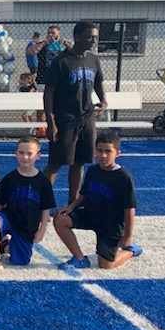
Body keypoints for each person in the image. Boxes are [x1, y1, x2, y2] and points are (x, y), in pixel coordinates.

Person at [54, 131, 142, 270]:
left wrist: (127, 236)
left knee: (106, 265)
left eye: (108, 151)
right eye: (99, 150)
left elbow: (129, 209)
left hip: (110, 224)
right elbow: (83, 195)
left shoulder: (123, 178)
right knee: (60, 219)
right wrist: (71, 207)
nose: (103, 155)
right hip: (91, 215)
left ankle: (131, 251)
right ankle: (79, 258)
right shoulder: (93, 170)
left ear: (117, 153)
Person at [43, 21, 107, 204]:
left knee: (80, 162)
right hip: (65, 120)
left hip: (86, 118)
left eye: (95, 37)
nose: (93, 41)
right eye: (89, 37)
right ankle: (43, 203)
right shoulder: (61, 61)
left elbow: (98, 83)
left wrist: (103, 100)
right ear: (77, 37)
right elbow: (49, 92)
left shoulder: (93, 59)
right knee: (56, 163)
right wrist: (51, 121)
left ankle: (72, 203)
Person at [0, 137, 56, 274]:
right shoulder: (10, 178)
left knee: (20, 261)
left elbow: (46, 209)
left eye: (29, 153)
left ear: (38, 155)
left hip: (27, 226)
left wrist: (42, 230)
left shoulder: (43, 182)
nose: (25, 157)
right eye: (21, 153)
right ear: (16, 154)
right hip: (9, 219)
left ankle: (6, 245)